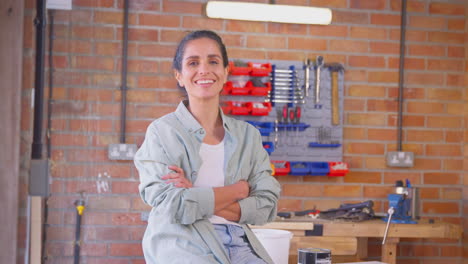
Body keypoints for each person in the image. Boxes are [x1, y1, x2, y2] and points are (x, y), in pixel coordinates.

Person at [134, 30, 281, 264]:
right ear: (179, 76)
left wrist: (195, 192)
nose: (204, 69)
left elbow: (267, 206)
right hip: (182, 241)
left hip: (239, 240)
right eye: (193, 62)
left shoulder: (248, 136)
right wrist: (238, 191)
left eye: (213, 61)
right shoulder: (162, 133)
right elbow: (173, 206)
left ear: (225, 73)